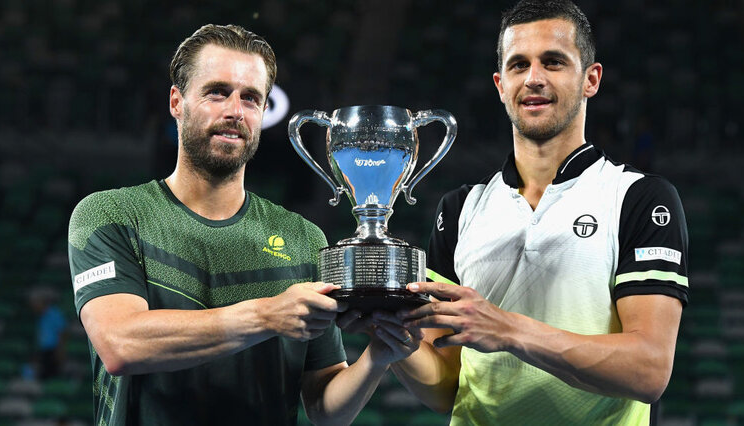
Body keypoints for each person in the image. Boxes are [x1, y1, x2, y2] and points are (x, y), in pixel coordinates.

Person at [67, 24, 419, 426]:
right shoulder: (111, 215)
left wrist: (378, 357)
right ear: (176, 102)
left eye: (251, 98)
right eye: (217, 92)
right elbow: (120, 344)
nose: (235, 110)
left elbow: (324, 409)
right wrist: (267, 316)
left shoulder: (303, 238)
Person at [373, 1, 689, 424]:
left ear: (590, 79)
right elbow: (447, 388)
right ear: (501, 84)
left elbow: (649, 370)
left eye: (553, 62)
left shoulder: (640, 197)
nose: (534, 78)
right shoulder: (460, 207)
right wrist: (394, 341)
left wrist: (505, 330)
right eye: (519, 65)